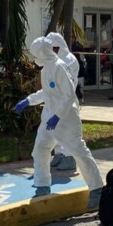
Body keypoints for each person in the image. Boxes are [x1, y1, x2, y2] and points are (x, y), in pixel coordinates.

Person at [14, 37, 104, 209]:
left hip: (66, 121)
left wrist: (57, 116)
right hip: (49, 120)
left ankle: (97, 189)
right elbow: (46, 93)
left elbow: (69, 95)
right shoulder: (46, 69)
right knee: (40, 149)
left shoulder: (60, 67)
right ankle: (42, 185)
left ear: (43, 53)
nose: (34, 58)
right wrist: (28, 100)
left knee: (79, 152)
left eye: (36, 54)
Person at [46, 31, 79, 172]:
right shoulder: (54, 61)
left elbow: (66, 84)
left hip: (67, 101)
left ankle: (70, 157)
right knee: (57, 131)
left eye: (54, 48)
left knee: (68, 131)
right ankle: (59, 154)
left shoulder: (69, 60)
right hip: (56, 101)